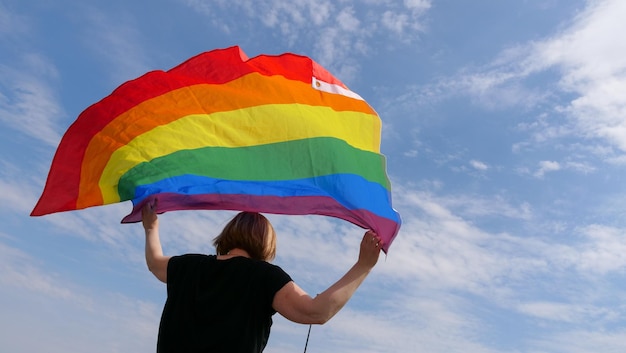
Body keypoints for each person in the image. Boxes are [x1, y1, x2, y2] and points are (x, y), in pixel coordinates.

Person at [142, 199, 382, 353]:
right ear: (268, 244)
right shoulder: (265, 278)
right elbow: (315, 312)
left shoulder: (188, 266)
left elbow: (154, 263)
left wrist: (151, 228)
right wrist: (363, 265)